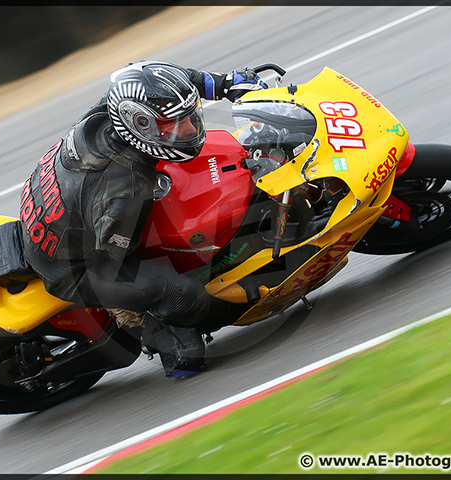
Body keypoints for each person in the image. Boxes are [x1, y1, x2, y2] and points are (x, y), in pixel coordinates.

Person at [19, 60, 267, 376]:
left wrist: (223, 84)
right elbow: (111, 259)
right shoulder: (127, 188)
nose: (188, 130)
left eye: (188, 119)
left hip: (52, 205)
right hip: (77, 268)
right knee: (187, 296)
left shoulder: (118, 104)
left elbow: (163, 81)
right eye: (172, 127)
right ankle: (161, 331)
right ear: (140, 125)